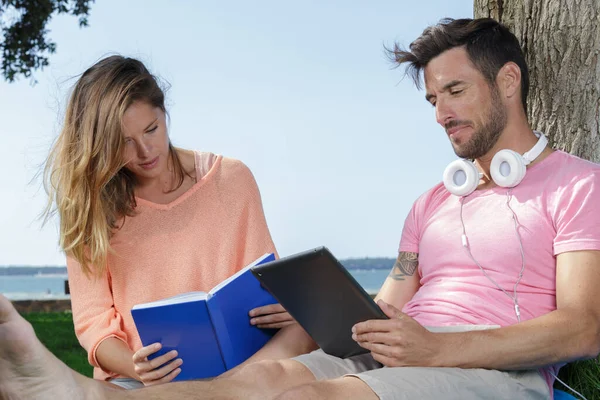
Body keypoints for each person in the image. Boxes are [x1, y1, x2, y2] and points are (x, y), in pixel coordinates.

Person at [2, 17, 600, 400]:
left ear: (510, 81)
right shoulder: (432, 202)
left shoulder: (576, 186)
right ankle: (89, 395)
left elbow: (585, 327)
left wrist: (436, 348)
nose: (440, 113)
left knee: (306, 399)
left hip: (487, 371)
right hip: (396, 353)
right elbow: (385, 304)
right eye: (432, 98)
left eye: (455, 91)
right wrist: (324, 308)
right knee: (258, 382)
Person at [40, 56, 311, 389]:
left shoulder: (231, 179)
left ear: (164, 112)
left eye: (151, 129)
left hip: (242, 368)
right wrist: (137, 367)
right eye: (123, 142)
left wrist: (283, 306)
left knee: (302, 330)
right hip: (144, 379)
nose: (145, 151)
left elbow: (262, 282)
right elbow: (93, 323)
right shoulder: (91, 206)